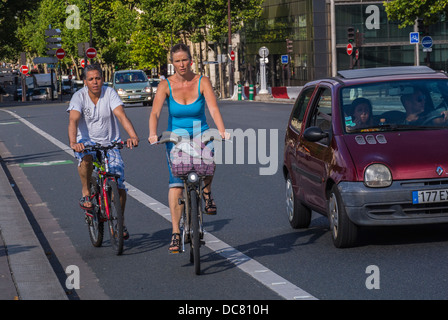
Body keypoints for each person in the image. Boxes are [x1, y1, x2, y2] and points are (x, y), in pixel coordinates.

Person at [148, 43, 229, 253]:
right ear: (172, 63)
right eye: (177, 61)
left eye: (184, 60)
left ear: (191, 60)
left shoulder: (202, 81)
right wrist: (152, 133)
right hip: (175, 137)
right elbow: (155, 113)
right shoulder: (165, 85)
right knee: (176, 184)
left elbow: (213, 108)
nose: (181, 64)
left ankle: (207, 192)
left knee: (211, 157)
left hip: (200, 133)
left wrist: (221, 130)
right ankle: (176, 232)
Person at [67, 64, 139, 240]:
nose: (95, 82)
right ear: (85, 81)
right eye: (91, 79)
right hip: (86, 143)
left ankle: (119, 223)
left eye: (98, 78)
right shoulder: (79, 97)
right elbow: (73, 120)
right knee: (86, 159)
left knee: (119, 185)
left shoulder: (110, 93)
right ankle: (86, 192)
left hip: (110, 142)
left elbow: (121, 115)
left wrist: (133, 135)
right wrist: (73, 143)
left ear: (102, 79)